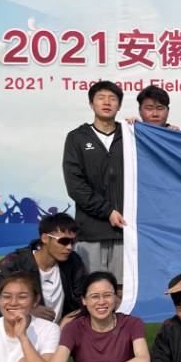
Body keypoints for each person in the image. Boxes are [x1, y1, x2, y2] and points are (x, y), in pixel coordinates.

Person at [62, 80, 126, 280]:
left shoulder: (131, 135)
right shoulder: (76, 138)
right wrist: (108, 211)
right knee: (90, 288)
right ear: (91, 104)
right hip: (90, 232)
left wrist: (167, 129)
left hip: (125, 232)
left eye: (112, 98)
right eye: (101, 98)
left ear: (119, 105)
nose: (107, 102)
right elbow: (75, 186)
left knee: (122, 290)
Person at [0, 212, 87, 323]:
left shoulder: (73, 261)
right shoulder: (15, 263)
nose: (69, 247)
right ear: (45, 238)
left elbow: (83, 298)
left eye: (73, 242)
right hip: (22, 329)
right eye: (64, 241)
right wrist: (27, 310)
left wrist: (70, 321)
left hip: (59, 331)